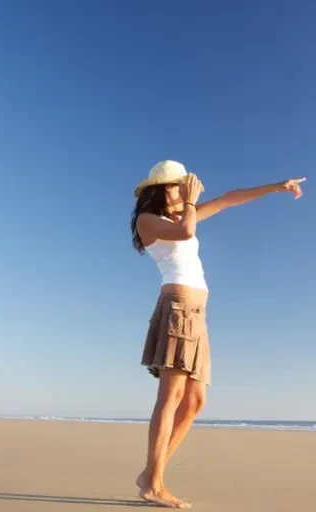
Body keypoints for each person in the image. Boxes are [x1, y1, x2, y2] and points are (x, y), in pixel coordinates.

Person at [130, 160, 305, 508]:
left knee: (194, 401)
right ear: (164, 188)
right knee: (171, 396)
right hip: (178, 308)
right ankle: (155, 482)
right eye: (180, 185)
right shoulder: (148, 221)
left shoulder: (183, 217)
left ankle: (152, 473)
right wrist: (192, 203)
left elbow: (227, 200)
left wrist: (275, 186)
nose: (187, 190)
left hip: (197, 314)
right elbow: (186, 234)